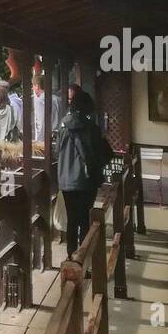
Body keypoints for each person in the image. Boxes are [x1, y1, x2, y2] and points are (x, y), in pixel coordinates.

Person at [57, 86, 111, 258]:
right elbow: (98, 155)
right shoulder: (91, 129)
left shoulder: (63, 126)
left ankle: (70, 257)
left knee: (72, 220)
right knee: (85, 221)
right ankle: (83, 258)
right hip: (86, 181)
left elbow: (58, 150)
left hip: (66, 180)